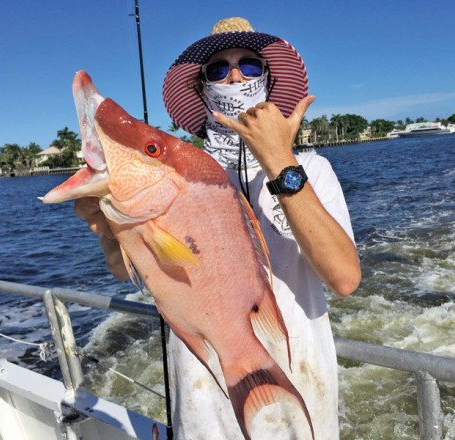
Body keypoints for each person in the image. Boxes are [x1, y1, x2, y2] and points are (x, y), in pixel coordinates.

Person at [76, 17, 360, 440]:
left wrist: (280, 161)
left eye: (249, 65)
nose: (233, 75)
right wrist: (107, 227)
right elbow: (124, 270)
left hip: (301, 386)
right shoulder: (173, 176)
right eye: (217, 68)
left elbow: (344, 277)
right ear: (201, 89)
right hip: (203, 397)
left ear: (266, 80)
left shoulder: (312, 170)